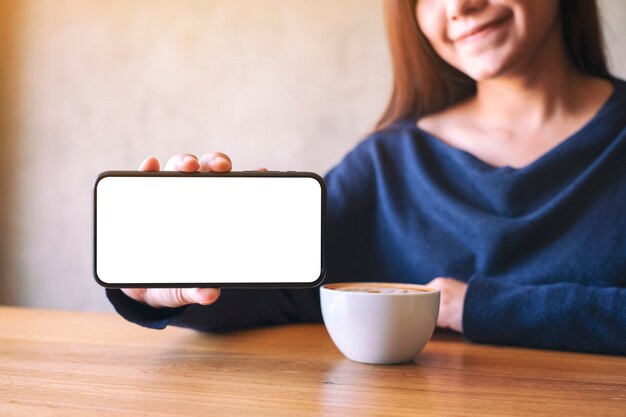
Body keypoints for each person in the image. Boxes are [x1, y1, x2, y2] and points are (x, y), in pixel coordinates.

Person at [106, 0, 626, 354]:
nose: (459, 5)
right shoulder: (388, 163)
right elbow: (282, 293)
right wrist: (167, 287)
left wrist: (477, 308)